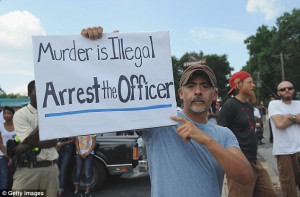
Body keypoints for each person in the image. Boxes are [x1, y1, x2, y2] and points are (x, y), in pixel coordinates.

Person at [81, 26, 254, 197]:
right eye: (191, 86)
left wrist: (206, 140)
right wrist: (106, 48)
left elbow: (246, 177)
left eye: (205, 86)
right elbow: (123, 96)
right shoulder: (161, 121)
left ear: (214, 94)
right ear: (180, 93)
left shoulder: (224, 134)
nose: (198, 91)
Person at [217, 71, 277, 197]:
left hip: (254, 161)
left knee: (270, 194)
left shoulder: (249, 106)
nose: (253, 85)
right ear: (238, 85)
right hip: (239, 164)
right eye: (249, 82)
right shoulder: (229, 105)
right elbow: (220, 134)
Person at [12, 80, 59, 196]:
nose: (41, 94)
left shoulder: (52, 113)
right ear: (29, 94)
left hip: (50, 168)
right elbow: (30, 139)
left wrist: (25, 146)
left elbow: (54, 141)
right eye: (36, 91)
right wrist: (44, 119)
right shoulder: (20, 114)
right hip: (28, 170)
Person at [268, 81, 300, 197]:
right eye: (283, 89)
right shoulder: (274, 104)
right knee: (289, 190)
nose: (287, 90)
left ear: (293, 90)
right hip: (284, 153)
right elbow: (279, 124)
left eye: (289, 88)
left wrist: (289, 116)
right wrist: (297, 117)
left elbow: (282, 121)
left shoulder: (298, 103)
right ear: (278, 93)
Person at [0, 106, 16, 190]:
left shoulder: (18, 126)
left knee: (16, 180)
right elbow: (0, 143)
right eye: (4, 113)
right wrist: (8, 155)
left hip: (17, 156)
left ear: (13, 115)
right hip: (3, 156)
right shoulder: (0, 126)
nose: (6, 115)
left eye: (8, 113)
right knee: (4, 180)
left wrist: (13, 156)